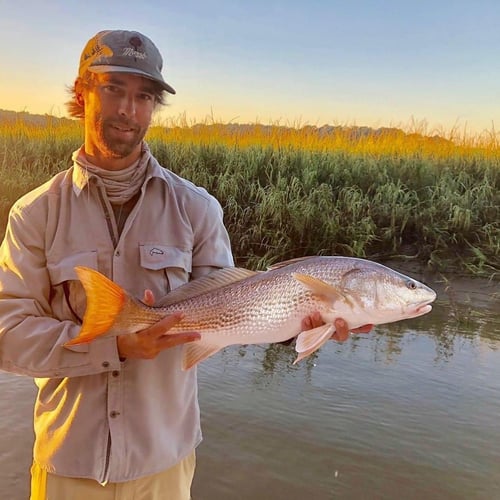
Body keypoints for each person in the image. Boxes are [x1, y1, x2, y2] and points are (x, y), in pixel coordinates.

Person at [0, 30, 371, 500]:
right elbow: (7, 334)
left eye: (144, 97)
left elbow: (235, 317)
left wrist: (310, 320)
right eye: (113, 89)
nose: (128, 111)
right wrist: (116, 346)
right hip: (67, 463)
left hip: (164, 464)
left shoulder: (198, 209)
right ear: (82, 93)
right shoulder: (33, 214)